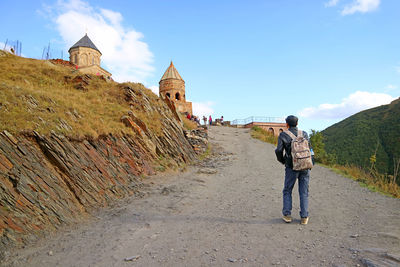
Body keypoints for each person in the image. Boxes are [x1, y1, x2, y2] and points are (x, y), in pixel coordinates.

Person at [275, 115, 312, 225]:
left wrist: (283, 161)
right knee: (304, 192)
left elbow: (278, 150)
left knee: (287, 190)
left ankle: (287, 215)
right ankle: (304, 217)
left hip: (291, 167)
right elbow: (310, 149)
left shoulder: (283, 135)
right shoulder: (304, 133)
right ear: (297, 123)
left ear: (287, 124)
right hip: (305, 165)